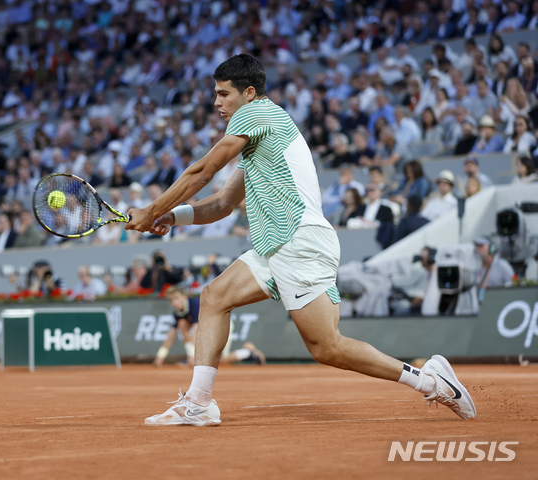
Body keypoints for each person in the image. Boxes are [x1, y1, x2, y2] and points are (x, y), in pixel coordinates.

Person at [126, 55, 475, 426]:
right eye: (216, 94)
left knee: (327, 347)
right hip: (276, 244)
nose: (217, 102)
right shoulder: (259, 137)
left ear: (249, 93)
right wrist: (172, 217)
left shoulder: (256, 113)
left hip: (297, 240)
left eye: (223, 94)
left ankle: (432, 383)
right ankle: (199, 402)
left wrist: (151, 209)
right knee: (214, 297)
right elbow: (224, 203)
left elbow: (202, 171)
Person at [154, 286, 266, 368]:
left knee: (221, 359)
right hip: (209, 330)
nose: (174, 302)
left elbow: (197, 331)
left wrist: (192, 357)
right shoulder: (178, 313)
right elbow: (171, 335)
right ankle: (191, 359)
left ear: (184, 297)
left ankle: (248, 352)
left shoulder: (195, 305)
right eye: (171, 300)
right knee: (182, 324)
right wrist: (160, 356)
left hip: (221, 324)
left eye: (176, 298)